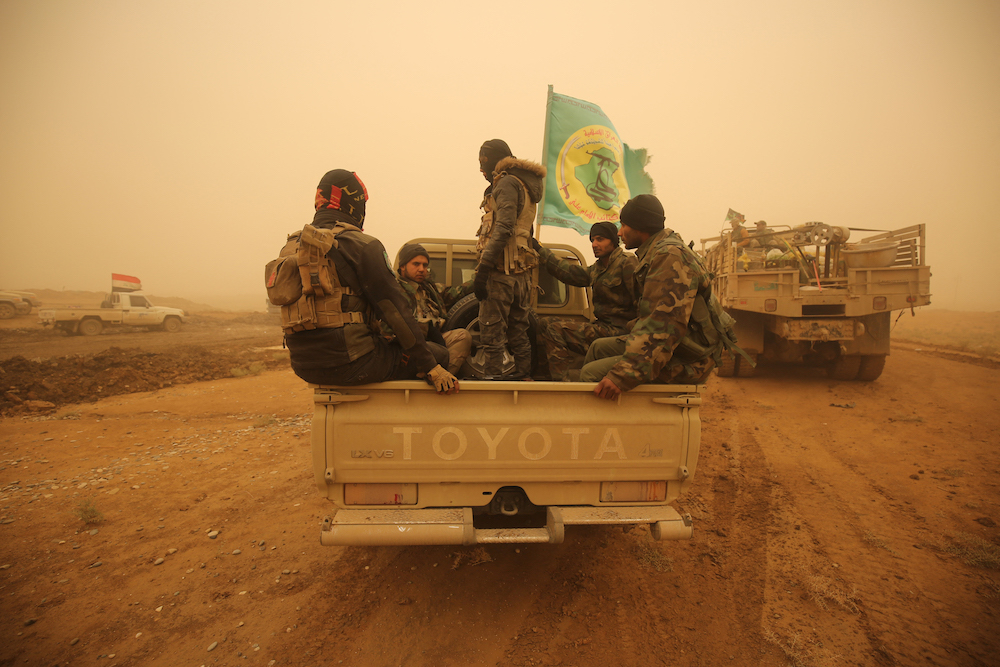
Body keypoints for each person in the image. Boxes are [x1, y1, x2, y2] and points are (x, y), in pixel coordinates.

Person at [283, 169, 458, 393]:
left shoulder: (292, 246)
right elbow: (395, 311)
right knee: (439, 354)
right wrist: (432, 366)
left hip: (303, 365)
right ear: (354, 203)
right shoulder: (362, 245)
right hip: (354, 362)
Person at [579, 194, 715, 400]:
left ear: (639, 227)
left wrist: (623, 376)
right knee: (598, 347)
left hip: (689, 358)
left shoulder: (668, 256)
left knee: (590, 374)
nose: (619, 232)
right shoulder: (657, 251)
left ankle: (604, 429)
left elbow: (663, 326)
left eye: (624, 225)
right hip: (678, 346)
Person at [474, 139, 546, 379]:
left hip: (500, 271)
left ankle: (492, 385)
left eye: (483, 161)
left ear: (494, 159)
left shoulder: (506, 183)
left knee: (491, 334)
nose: (481, 169)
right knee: (518, 331)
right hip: (521, 274)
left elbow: (504, 227)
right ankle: (524, 378)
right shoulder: (526, 186)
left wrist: (484, 268)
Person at [531, 222, 638, 380]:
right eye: (592, 240)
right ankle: (542, 376)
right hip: (602, 328)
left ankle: (563, 384)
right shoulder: (598, 269)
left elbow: (642, 301)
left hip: (620, 333)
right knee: (543, 323)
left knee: (555, 328)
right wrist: (540, 250)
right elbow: (568, 272)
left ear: (614, 241)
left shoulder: (627, 264)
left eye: (600, 239)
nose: (594, 244)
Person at [393, 243, 473, 375]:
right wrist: (428, 329)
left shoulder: (430, 289)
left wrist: (482, 275)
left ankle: (443, 377)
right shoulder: (394, 290)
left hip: (435, 343)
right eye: (416, 264)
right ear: (402, 266)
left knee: (463, 336)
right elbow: (391, 326)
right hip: (408, 345)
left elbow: (457, 292)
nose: (421, 269)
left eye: (425, 265)